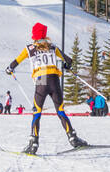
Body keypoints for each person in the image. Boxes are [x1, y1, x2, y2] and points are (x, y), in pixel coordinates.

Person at [6, 22, 87, 154]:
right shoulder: (52, 47)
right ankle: (73, 138)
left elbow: (15, 63)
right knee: (60, 111)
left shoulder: (29, 48)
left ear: (34, 36)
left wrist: (9, 69)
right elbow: (69, 60)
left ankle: (33, 143)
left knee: (37, 112)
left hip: (41, 79)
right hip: (54, 79)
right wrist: (67, 66)